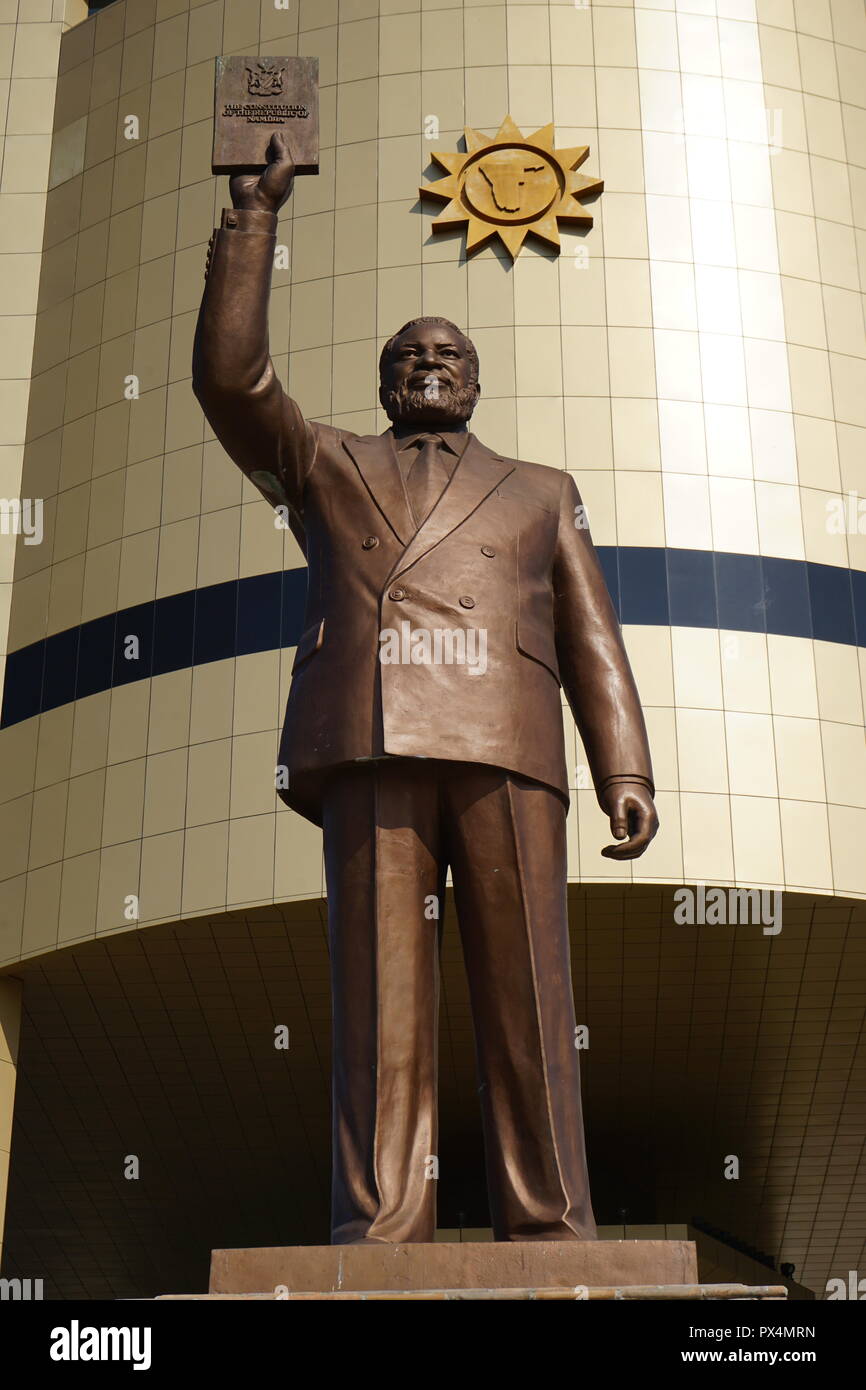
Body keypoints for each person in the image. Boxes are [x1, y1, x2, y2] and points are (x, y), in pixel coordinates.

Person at [193, 132, 658, 1245]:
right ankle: (380, 1220)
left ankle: (550, 1223)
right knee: (378, 1006)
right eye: (409, 355)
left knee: (529, 999)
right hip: (371, 738)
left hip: (505, 742)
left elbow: (594, 639)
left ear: (477, 380)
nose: (428, 365)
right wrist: (253, 220)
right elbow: (231, 381)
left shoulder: (542, 491)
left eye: (447, 353)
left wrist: (623, 771)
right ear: (384, 381)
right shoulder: (327, 468)